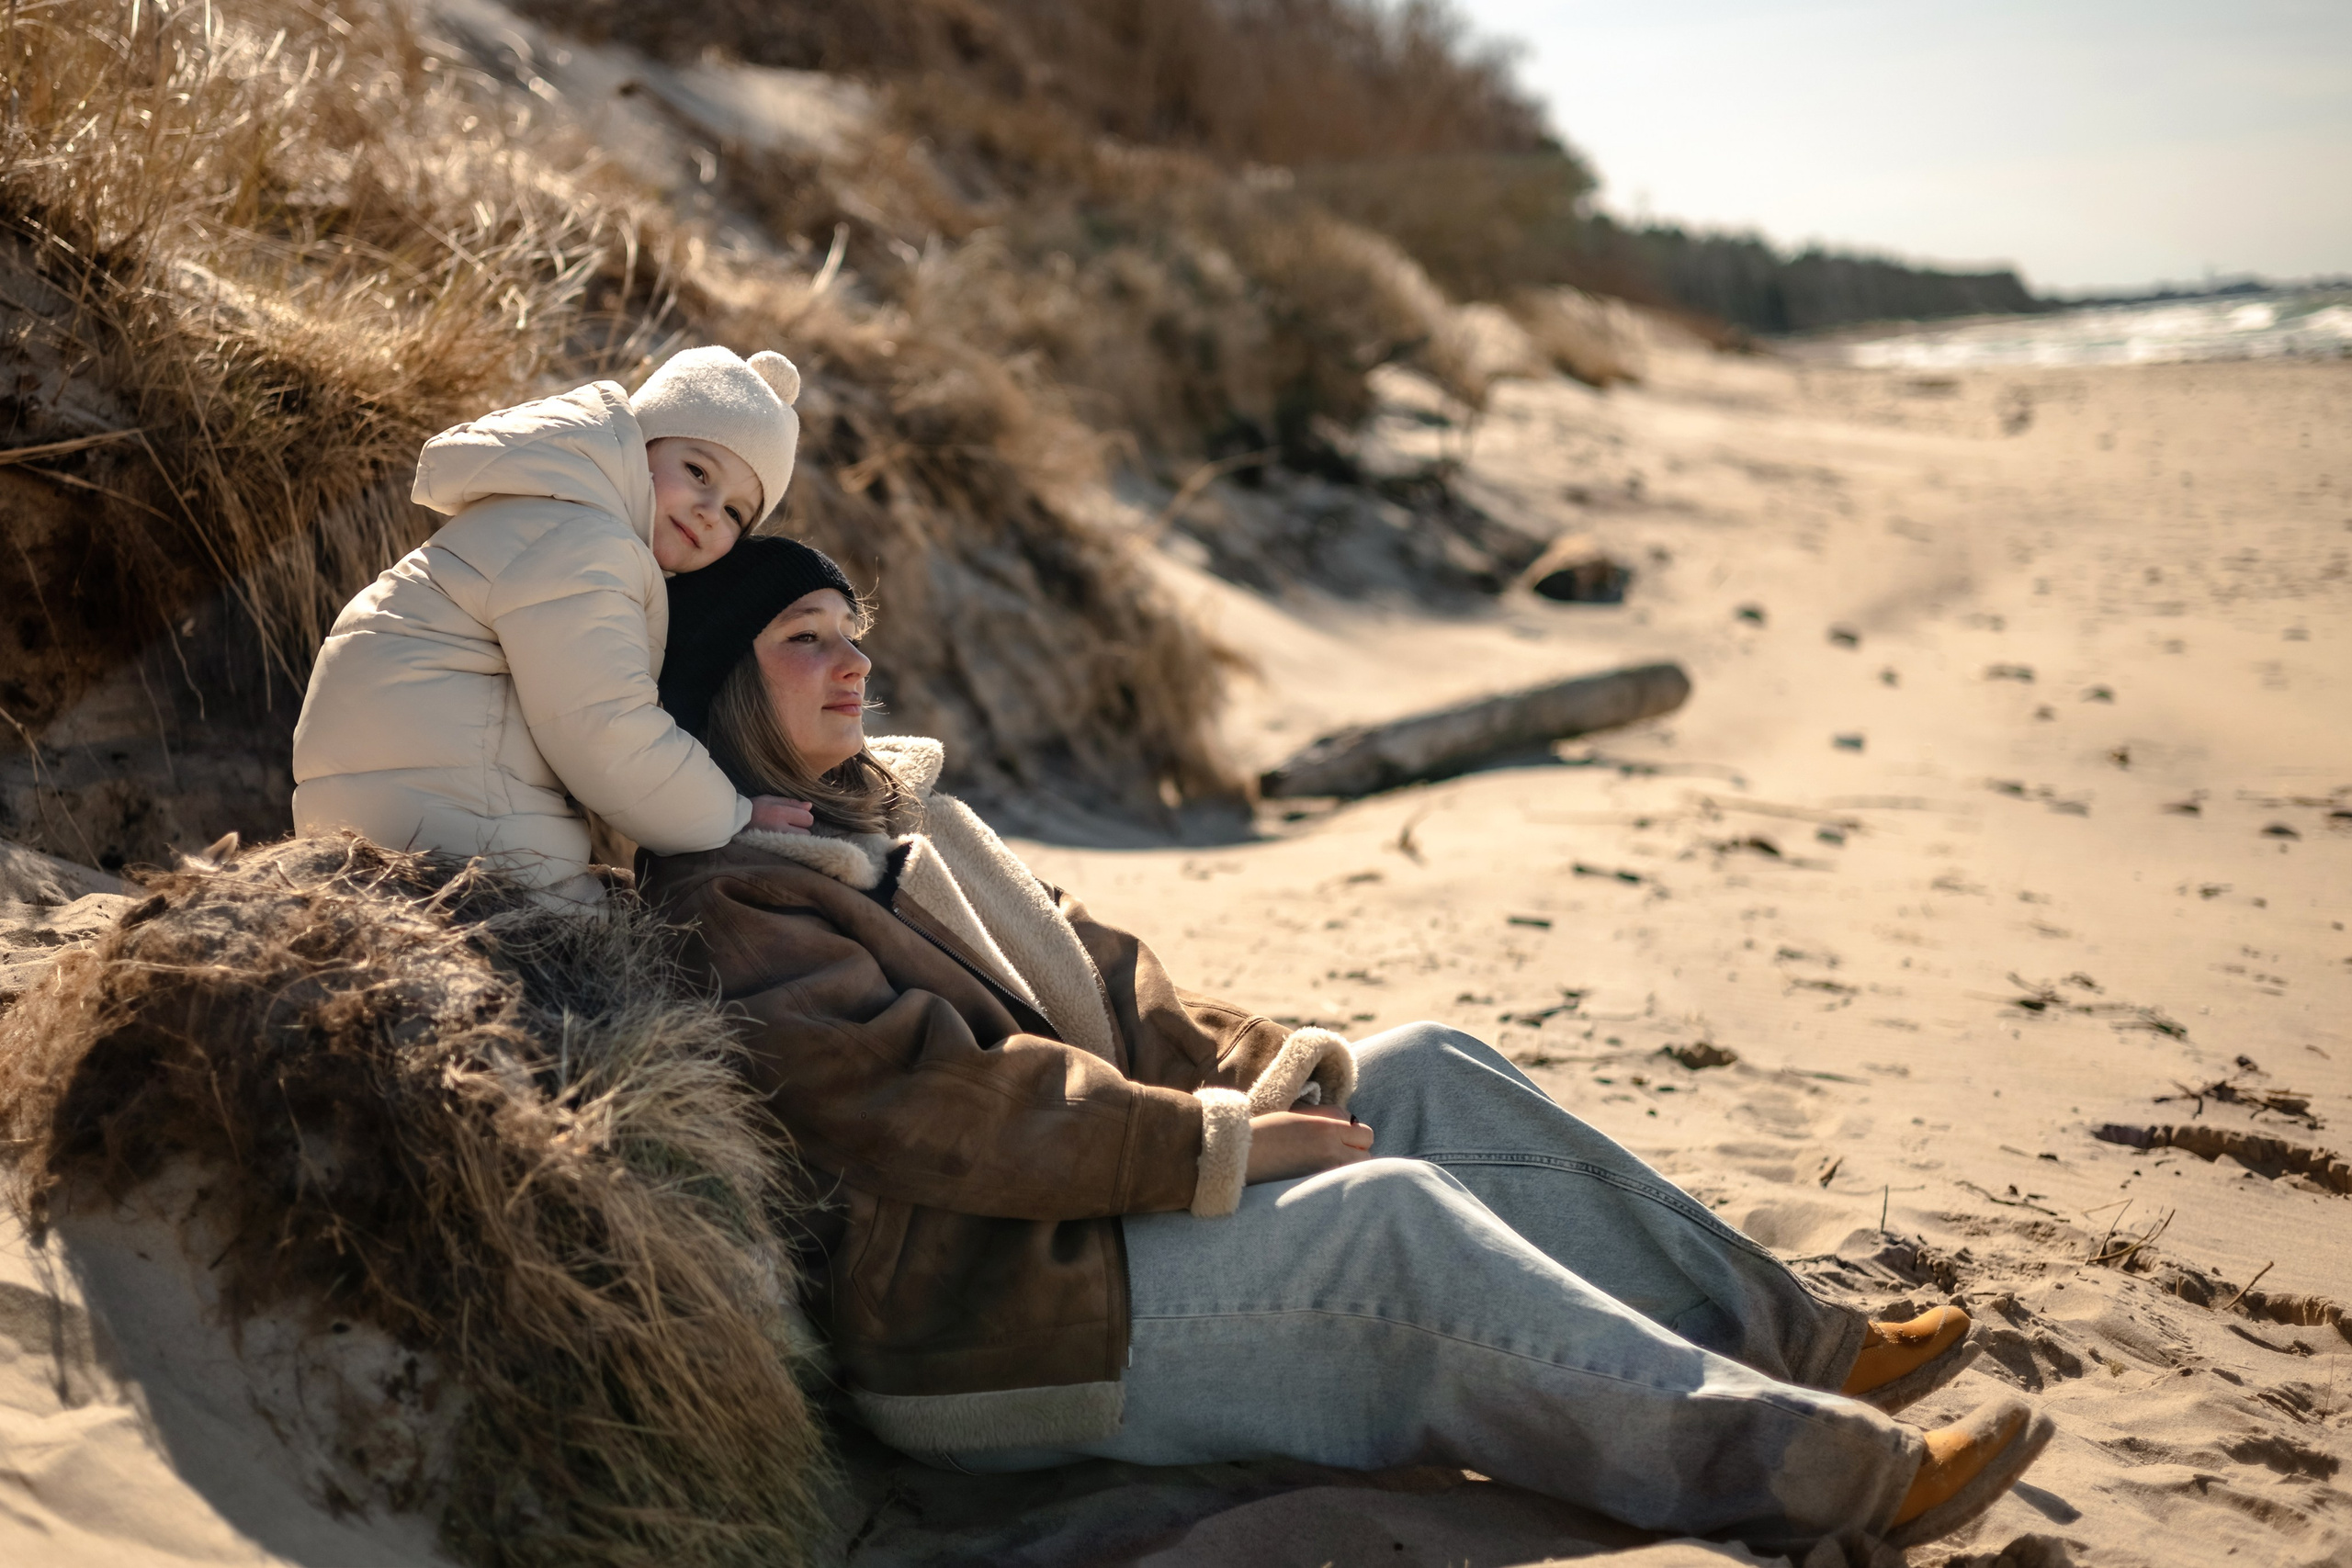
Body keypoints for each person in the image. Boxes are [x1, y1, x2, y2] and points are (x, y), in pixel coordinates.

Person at [638, 536, 2055, 1558]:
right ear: (725, 682)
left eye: (854, 630)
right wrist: (1219, 1144)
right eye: (805, 638)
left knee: (1419, 1061)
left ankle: (1805, 1347)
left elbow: (1119, 989)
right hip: (985, 1323)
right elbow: (939, 1107)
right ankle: (1827, 1477)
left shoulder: (908, 826)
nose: (854, 661)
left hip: (1089, 1225)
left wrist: (1273, 1069)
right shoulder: (740, 895)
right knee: (1386, 1220)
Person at [290, 345, 819, 904]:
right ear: (637, 441)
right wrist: (732, 816)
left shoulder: (553, 513)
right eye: (697, 471)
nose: (711, 510)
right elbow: (607, 732)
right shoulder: (586, 543)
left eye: (736, 513)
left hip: (397, 813)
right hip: (461, 840)